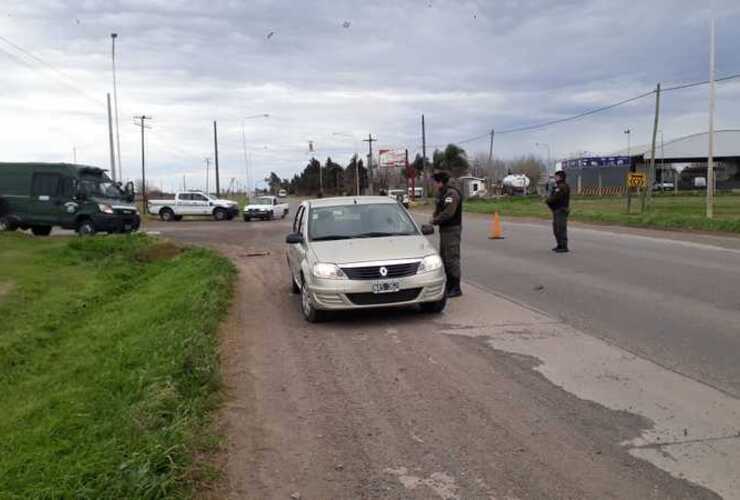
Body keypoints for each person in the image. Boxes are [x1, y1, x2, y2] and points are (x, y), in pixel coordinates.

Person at [431, 171, 463, 297]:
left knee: (452, 258)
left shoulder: (452, 193)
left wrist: (435, 220)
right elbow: (438, 208)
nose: (433, 185)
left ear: (440, 182)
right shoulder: (442, 193)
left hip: (452, 229)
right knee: (444, 257)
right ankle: (449, 285)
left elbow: (449, 212)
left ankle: (456, 287)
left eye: (434, 182)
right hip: (444, 230)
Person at [546, 170, 570, 253]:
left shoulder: (562, 186)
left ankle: (564, 246)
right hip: (557, 210)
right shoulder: (558, 186)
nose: (554, 178)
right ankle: (559, 245)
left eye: (556, 176)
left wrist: (548, 200)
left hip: (561, 210)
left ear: (560, 177)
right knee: (556, 228)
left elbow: (556, 197)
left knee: (561, 228)